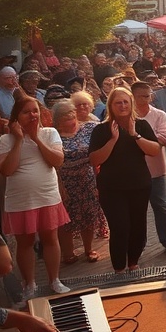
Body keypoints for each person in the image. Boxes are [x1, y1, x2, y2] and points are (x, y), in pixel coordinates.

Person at [0, 97, 72, 300]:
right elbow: (7, 170)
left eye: (35, 111)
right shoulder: (6, 140)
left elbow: (57, 161)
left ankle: (54, 280)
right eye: (26, 112)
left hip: (47, 196)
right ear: (16, 117)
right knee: (25, 243)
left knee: (50, 239)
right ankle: (29, 283)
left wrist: (36, 138)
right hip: (20, 200)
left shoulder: (49, 133)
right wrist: (20, 139)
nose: (32, 115)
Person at [89, 87, 162, 273]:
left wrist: (134, 135)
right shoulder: (101, 130)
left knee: (138, 226)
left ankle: (133, 262)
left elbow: (154, 150)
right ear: (111, 106)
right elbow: (95, 160)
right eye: (117, 103)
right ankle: (119, 268)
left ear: (131, 104)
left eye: (125, 102)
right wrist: (113, 140)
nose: (122, 106)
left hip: (139, 185)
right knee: (120, 227)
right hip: (112, 188)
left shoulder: (141, 125)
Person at [131, 82, 166, 254]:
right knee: (136, 208)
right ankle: (138, 244)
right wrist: (148, 141)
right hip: (133, 170)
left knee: (160, 205)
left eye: (149, 95)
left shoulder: (159, 115)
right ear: (133, 96)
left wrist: (137, 139)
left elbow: (163, 139)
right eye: (143, 96)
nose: (147, 99)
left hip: (156, 168)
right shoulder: (127, 116)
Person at [51, 100, 102, 265]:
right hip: (64, 182)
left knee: (88, 215)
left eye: (72, 113)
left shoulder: (89, 128)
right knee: (65, 219)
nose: (72, 117)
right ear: (58, 120)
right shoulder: (52, 134)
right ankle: (68, 253)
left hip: (87, 179)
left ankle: (89, 249)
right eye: (66, 116)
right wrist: (59, 187)